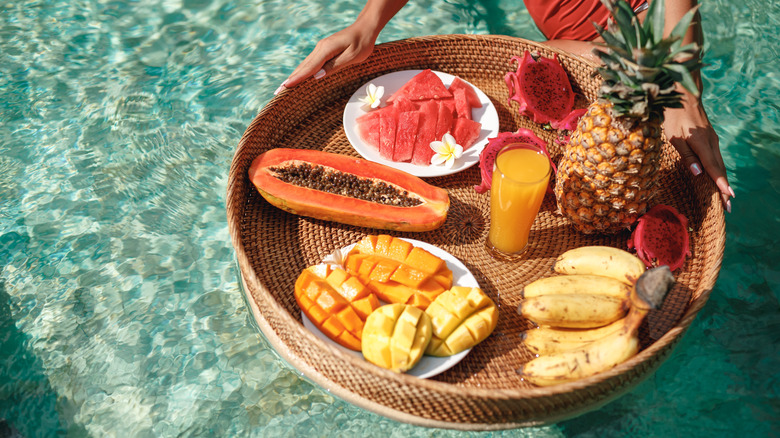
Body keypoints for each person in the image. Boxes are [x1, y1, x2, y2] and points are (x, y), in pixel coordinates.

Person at [275, 0, 734, 212]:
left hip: (653, 39)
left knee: (685, 145)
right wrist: (367, 24)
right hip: (572, 47)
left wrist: (682, 85)